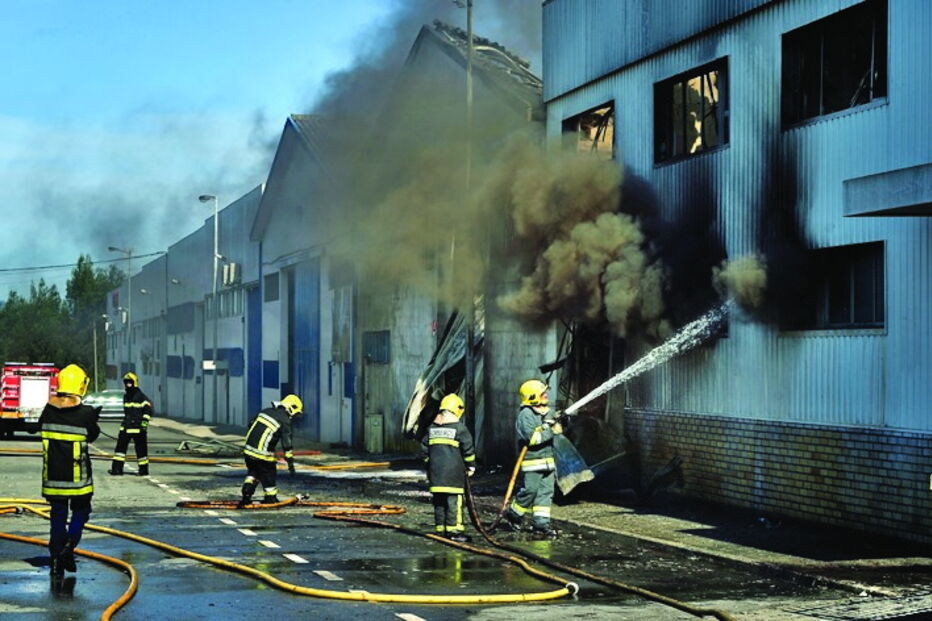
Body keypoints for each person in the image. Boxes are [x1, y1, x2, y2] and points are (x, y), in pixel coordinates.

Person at [39, 364, 100, 577]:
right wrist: (94, 418)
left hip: (53, 477)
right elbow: (92, 435)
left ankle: (56, 561)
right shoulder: (87, 413)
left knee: (57, 516)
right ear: (82, 385)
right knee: (81, 512)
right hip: (78, 479)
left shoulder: (47, 410)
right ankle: (68, 548)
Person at [500, 379, 561, 538]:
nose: (546, 395)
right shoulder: (525, 414)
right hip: (533, 462)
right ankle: (514, 513)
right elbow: (532, 439)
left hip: (548, 462)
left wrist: (560, 422)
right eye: (542, 393)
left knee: (546, 494)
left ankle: (541, 525)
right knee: (530, 491)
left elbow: (554, 430)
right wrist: (550, 429)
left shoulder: (547, 411)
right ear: (533, 396)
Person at [422, 393, 476, 542]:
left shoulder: (431, 428)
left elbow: (424, 449)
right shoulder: (460, 429)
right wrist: (471, 466)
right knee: (454, 503)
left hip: (435, 475)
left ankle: (440, 529)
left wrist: (430, 464)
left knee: (439, 502)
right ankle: (454, 531)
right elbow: (468, 450)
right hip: (454, 475)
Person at [239, 394, 303, 506]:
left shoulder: (265, 411)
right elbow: (286, 443)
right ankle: (270, 498)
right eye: (296, 413)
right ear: (291, 408)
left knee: (254, 472)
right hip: (262, 454)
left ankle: (246, 494)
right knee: (269, 473)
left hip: (248, 451)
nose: (294, 416)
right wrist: (290, 462)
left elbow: (250, 424)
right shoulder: (284, 420)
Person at [108, 372, 152, 476]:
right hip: (127, 427)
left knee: (141, 450)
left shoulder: (141, 397)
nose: (128, 384)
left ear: (135, 383)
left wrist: (144, 425)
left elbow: (148, 411)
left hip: (138, 428)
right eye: (126, 382)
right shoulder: (126, 396)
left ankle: (143, 470)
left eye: (130, 382)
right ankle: (117, 470)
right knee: (120, 451)